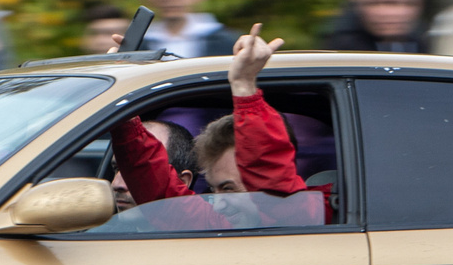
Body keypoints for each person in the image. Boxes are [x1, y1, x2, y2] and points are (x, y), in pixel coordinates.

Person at [106, 26, 326, 230]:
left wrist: (244, 85)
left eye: (229, 189)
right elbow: (152, 181)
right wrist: (121, 89)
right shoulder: (218, 224)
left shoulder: (305, 215)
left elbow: (271, 182)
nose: (218, 204)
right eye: (213, 191)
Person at [316, 0, 429, 53]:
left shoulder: (431, 47)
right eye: (374, 3)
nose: (384, 13)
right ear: (359, 6)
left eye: (395, 3)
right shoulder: (338, 51)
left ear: (418, 6)